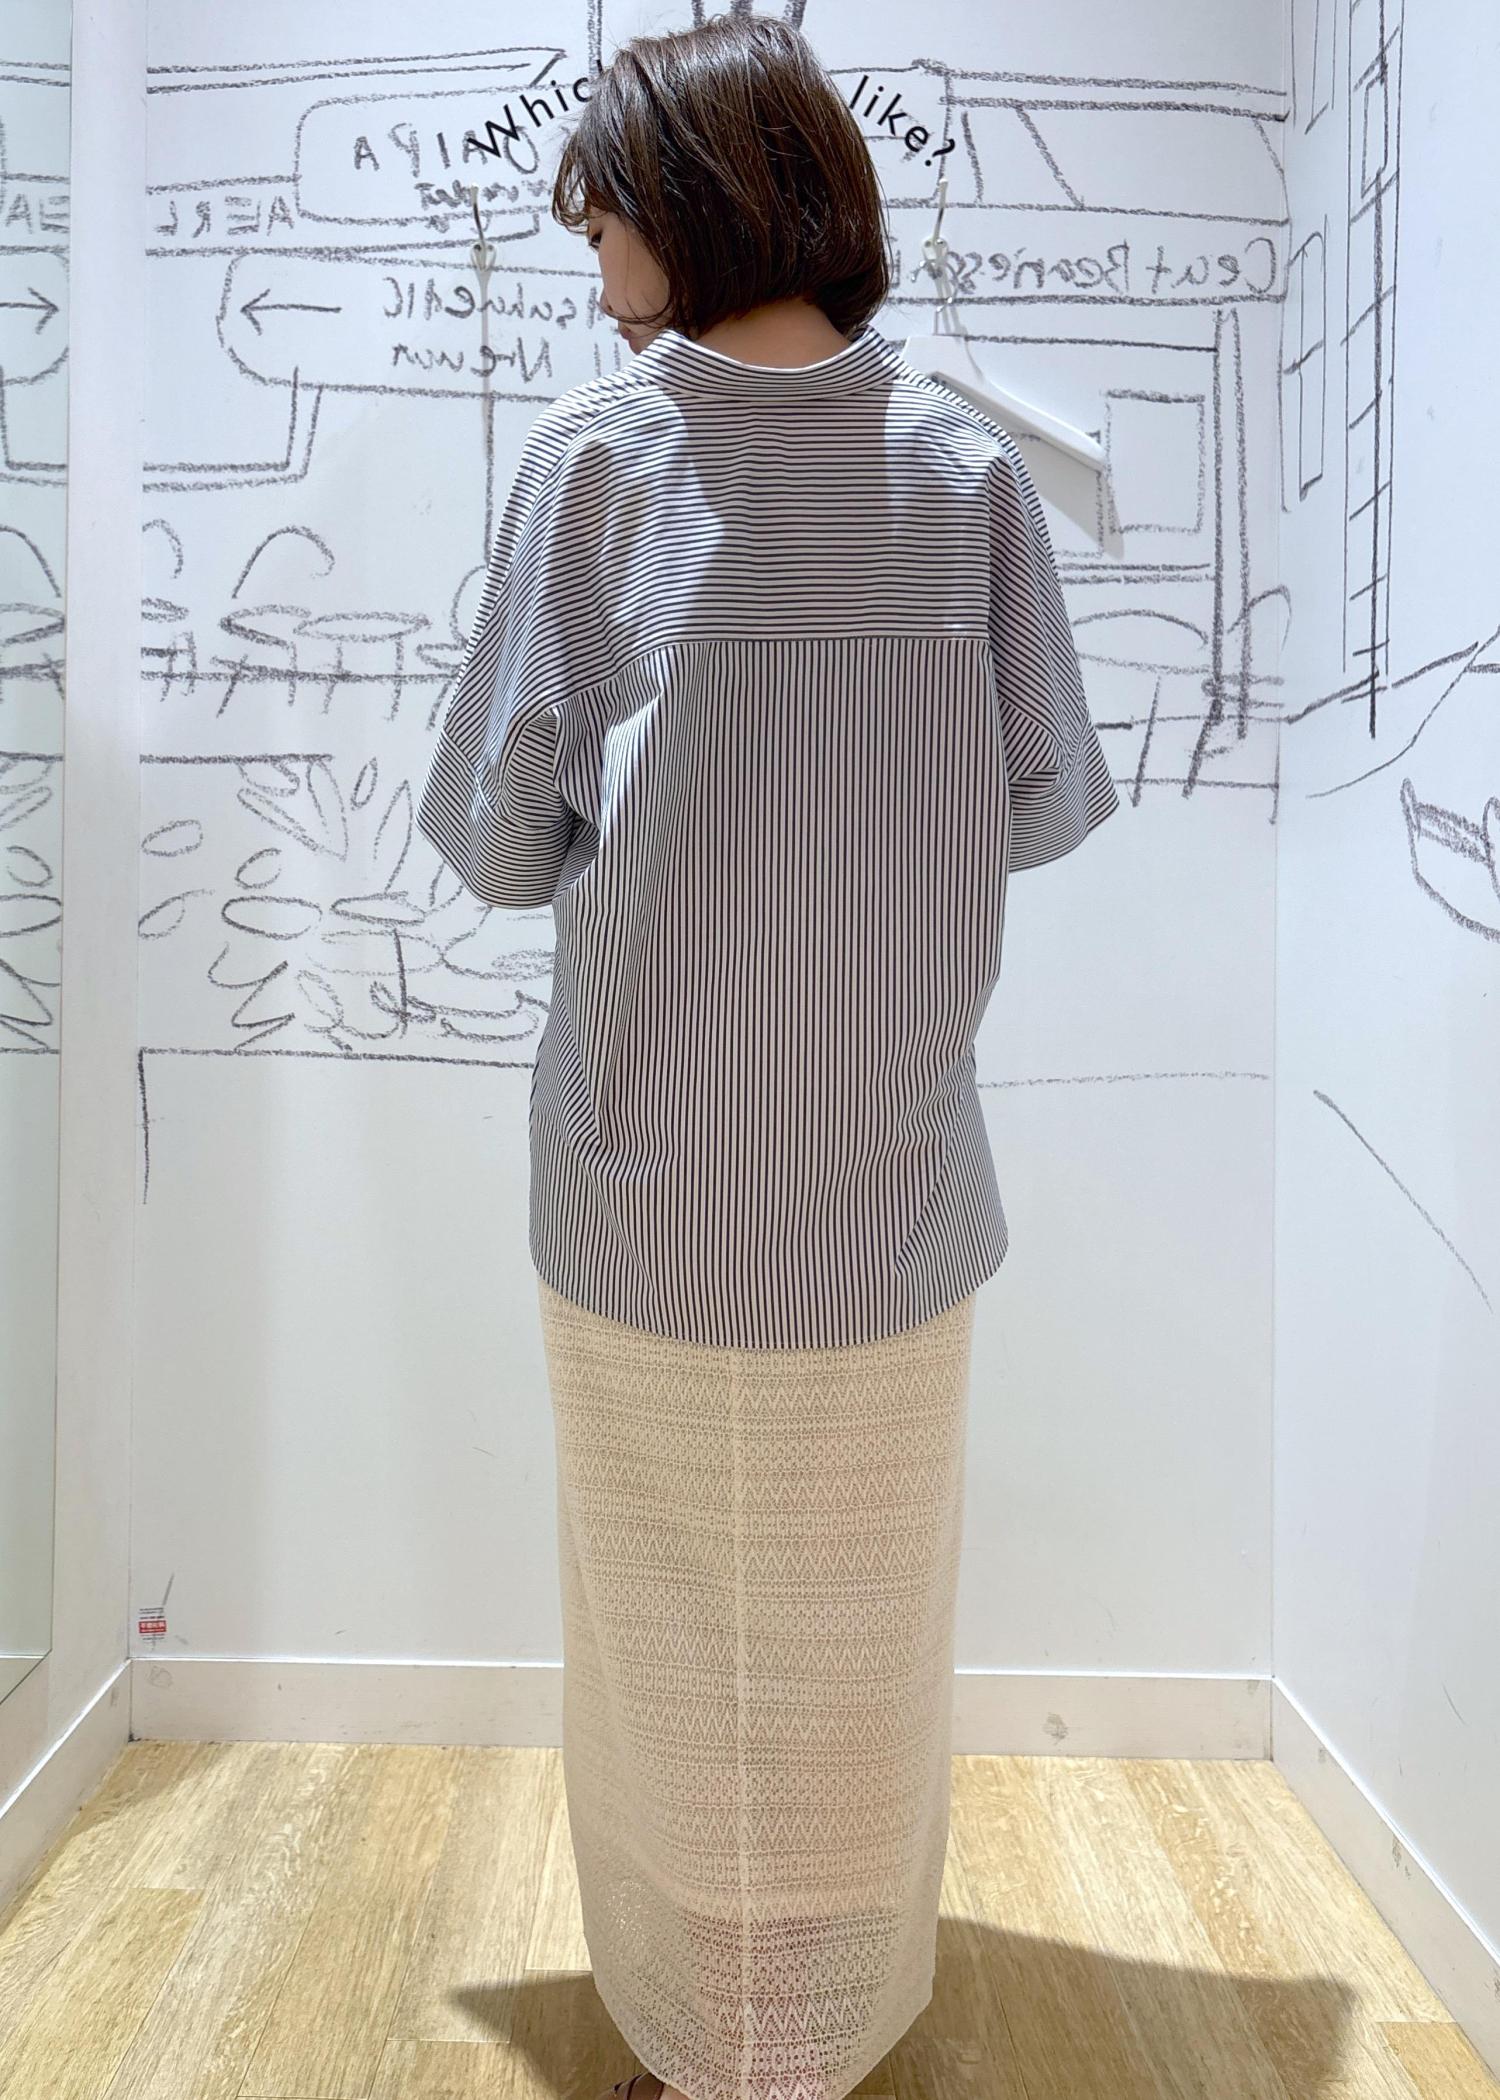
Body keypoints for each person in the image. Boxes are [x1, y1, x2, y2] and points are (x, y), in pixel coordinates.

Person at [418, 16, 1118, 2100]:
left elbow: (497, 837)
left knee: (664, 1652)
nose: (595, 270)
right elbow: (1035, 805)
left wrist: (671, 834)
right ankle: (820, 2024)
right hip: (890, 1194)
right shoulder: (967, 474)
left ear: (698, 202)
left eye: (605, 222)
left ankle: (694, 2031)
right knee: (858, 1651)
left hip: (645, 1185)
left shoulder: (602, 466)